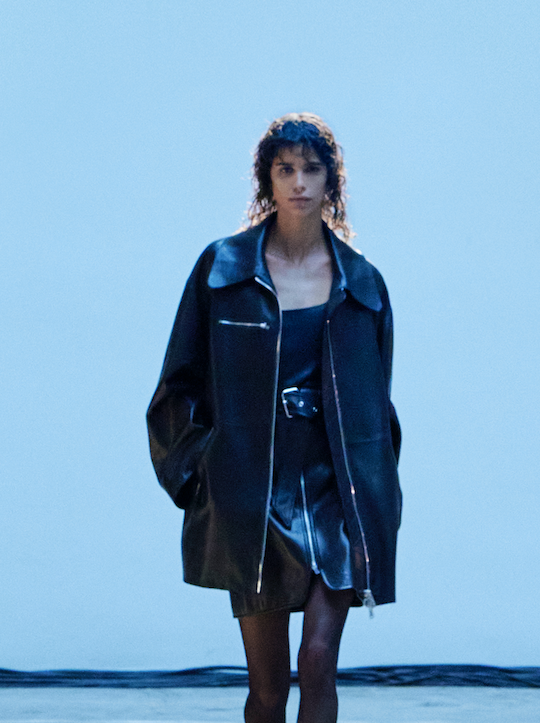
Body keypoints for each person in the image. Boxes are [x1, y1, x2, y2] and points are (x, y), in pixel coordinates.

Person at [146, 113, 401, 723]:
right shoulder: (223, 271)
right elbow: (177, 385)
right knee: (267, 687)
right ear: (267, 179)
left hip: (336, 492)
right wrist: (200, 474)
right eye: (285, 169)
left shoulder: (362, 284)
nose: (299, 183)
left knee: (318, 661)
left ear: (331, 181)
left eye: (311, 169)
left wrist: (377, 491)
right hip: (253, 497)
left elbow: (378, 405)